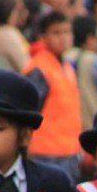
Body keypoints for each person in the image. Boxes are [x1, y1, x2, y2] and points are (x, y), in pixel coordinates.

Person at [23, 11, 82, 181]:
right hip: (45, 154)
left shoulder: (66, 66)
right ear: (43, 36)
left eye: (67, 32)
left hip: (69, 152)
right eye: (56, 33)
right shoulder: (40, 69)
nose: (63, 38)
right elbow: (29, 111)